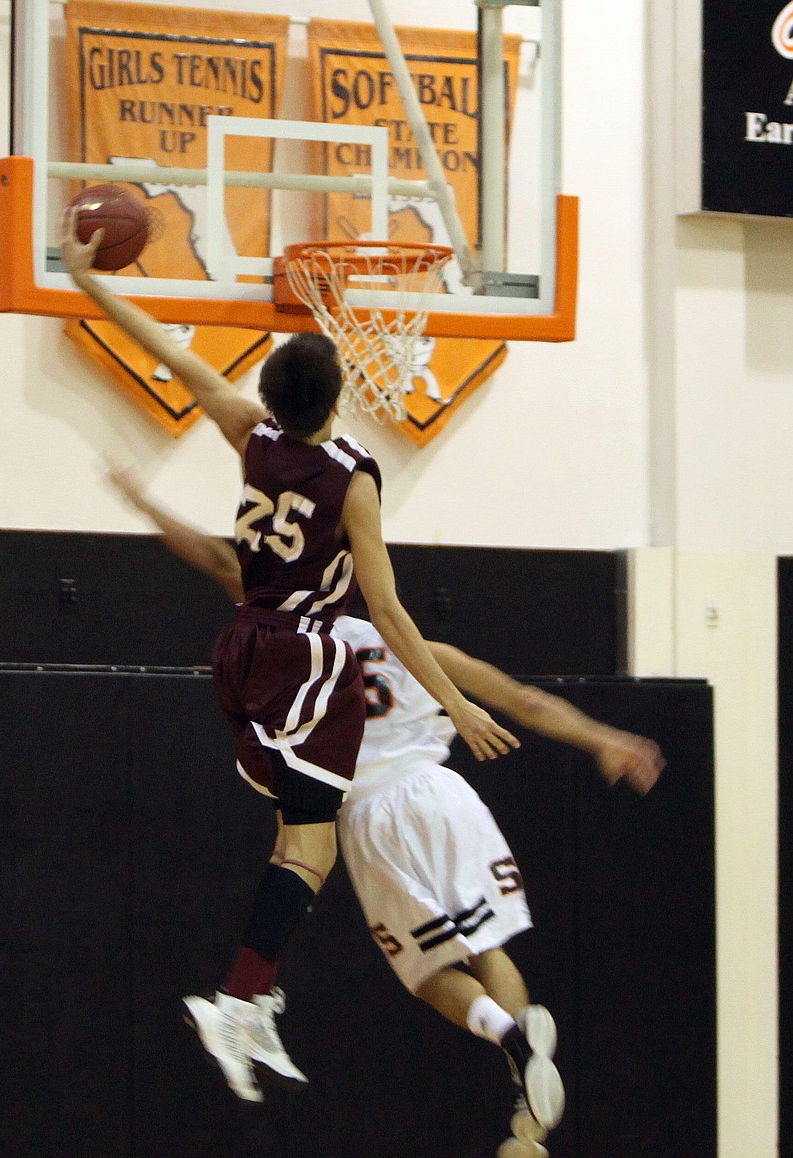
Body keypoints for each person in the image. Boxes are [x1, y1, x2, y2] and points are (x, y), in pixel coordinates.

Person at [61, 217, 517, 1108]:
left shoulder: (250, 435)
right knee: (310, 847)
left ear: (271, 397)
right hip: (306, 661)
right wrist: (456, 706)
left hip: (240, 648)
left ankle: (250, 993)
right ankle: (235, 1003)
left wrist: (89, 281)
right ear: (339, 396)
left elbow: (169, 351)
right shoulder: (353, 477)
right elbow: (384, 608)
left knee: (301, 837)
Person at [101, 465, 665, 1158]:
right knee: (489, 946)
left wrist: (144, 503)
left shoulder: (288, 635)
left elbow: (218, 558)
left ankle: (511, 1039)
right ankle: (524, 1067)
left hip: (370, 816)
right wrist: (604, 738)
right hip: (444, 794)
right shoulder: (416, 648)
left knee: (429, 976)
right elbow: (524, 701)